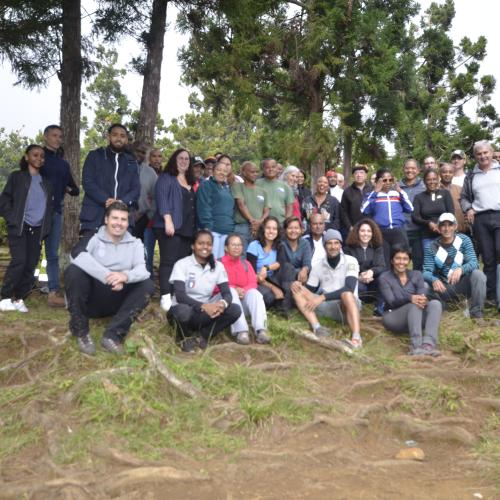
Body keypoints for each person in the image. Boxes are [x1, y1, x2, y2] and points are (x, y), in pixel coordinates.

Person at [64, 201, 154, 355]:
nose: (119, 223)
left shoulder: (136, 243)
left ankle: (113, 335)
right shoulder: (93, 238)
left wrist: (125, 276)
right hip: (91, 300)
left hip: (117, 300)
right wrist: (108, 277)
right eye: (115, 218)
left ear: (128, 222)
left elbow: (143, 270)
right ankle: (81, 330)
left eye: (123, 219)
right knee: (74, 271)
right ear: (106, 219)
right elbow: (76, 255)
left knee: (147, 285)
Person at [0, 145, 53, 313]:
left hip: (37, 230)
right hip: (20, 226)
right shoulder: (17, 177)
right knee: (19, 261)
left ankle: (19, 298)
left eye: (42, 156)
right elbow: (4, 200)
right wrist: (13, 219)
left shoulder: (46, 183)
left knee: (31, 265)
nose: (39, 158)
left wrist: (46, 228)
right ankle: (4, 297)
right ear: (27, 157)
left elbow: (49, 207)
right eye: (35, 155)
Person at [169, 230, 241, 352]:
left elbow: (227, 294)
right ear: (193, 246)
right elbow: (180, 296)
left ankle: (203, 336)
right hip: (184, 311)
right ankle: (184, 337)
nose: (205, 247)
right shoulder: (181, 264)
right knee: (183, 311)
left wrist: (221, 305)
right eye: (200, 243)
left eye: (208, 244)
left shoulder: (218, 266)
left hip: (204, 314)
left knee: (235, 309)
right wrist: (203, 306)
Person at [291, 229, 363, 348]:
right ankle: (317, 328)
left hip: (347, 306)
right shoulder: (318, 265)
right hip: (328, 307)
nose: (333, 246)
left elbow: (349, 288)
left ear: (340, 245)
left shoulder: (351, 261)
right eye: (329, 243)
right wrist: (298, 285)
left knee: (347, 294)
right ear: (324, 246)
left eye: (336, 243)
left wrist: (322, 297)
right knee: (297, 289)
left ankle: (356, 338)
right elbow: (311, 289)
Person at [40, 125, 79, 307]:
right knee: (30, 253)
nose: (58, 139)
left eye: (60, 136)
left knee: (52, 254)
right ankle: (22, 289)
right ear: (45, 137)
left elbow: (75, 190)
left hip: (56, 212)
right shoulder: (39, 158)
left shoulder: (63, 164)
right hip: (35, 212)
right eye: (54, 135)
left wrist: (67, 188)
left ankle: (53, 292)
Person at [379, 245, 442, 356]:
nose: (401, 262)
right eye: (398, 258)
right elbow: (391, 301)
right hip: (393, 317)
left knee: (435, 304)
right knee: (414, 304)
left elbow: (421, 296)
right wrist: (410, 298)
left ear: (409, 261)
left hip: (415, 318)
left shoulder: (416, 274)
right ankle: (416, 346)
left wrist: (421, 300)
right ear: (392, 261)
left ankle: (428, 345)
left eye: (405, 259)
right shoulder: (384, 277)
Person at [423, 213, 486, 321]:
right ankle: (443, 308)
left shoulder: (464, 240)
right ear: (438, 228)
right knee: (423, 285)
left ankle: (476, 314)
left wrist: (461, 269)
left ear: (455, 226)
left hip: (462, 285)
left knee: (478, 274)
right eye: (443, 225)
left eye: (450, 225)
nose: (447, 229)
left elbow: (474, 262)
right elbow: (425, 271)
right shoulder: (431, 247)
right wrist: (434, 279)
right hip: (443, 288)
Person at [154, 148, 196, 308]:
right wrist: (168, 220)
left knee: (180, 264)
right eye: (181, 158)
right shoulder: (167, 178)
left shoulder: (190, 181)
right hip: (170, 227)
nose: (184, 161)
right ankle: (165, 296)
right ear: (174, 159)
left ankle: (175, 295)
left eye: (187, 159)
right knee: (168, 262)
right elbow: (162, 199)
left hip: (187, 229)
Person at [80, 123, 140, 236]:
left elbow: (136, 189)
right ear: (108, 137)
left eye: (122, 136)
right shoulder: (95, 156)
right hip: (95, 217)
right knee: (92, 252)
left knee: (121, 253)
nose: (119, 138)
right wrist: (106, 200)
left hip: (123, 217)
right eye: (115, 135)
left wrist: (121, 202)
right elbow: (87, 182)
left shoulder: (132, 162)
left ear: (126, 139)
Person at [461, 140, 500, 310]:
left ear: (491, 153)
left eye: (485, 152)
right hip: (481, 220)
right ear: (475, 156)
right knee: (488, 258)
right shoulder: (471, 175)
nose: (483, 156)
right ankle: (490, 296)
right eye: (479, 153)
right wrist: (468, 208)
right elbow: (463, 197)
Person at [221, 234, 270, 345]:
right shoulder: (219, 264)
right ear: (225, 248)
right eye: (233, 245)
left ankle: (261, 330)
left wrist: (243, 290)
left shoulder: (245, 264)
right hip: (224, 303)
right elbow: (214, 286)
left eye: (239, 245)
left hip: (241, 301)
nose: (237, 247)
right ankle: (241, 331)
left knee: (254, 293)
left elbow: (253, 283)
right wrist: (235, 289)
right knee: (231, 291)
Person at [361, 168, 413, 266]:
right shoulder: (372, 195)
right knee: (384, 262)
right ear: (377, 181)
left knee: (399, 261)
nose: (388, 182)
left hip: (398, 232)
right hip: (381, 232)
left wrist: (400, 191)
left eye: (391, 180)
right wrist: (376, 191)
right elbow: (364, 210)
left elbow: (410, 208)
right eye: (384, 180)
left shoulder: (397, 194)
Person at [247, 216, 294, 309]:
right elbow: (251, 274)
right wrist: (273, 288)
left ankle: (285, 303)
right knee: (269, 298)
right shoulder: (254, 245)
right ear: (263, 229)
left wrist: (266, 268)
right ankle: (278, 300)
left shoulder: (279, 245)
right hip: (258, 280)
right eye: (268, 228)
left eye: (274, 229)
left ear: (278, 231)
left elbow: (280, 262)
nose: (271, 231)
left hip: (274, 277)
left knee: (289, 267)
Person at [344, 218, 386, 316]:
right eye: (362, 231)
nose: (365, 234)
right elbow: (346, 269)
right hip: (357, 284)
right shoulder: (348, 249)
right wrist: (359, 277)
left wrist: (371, 272)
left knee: (384, 278)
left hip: (373, 283)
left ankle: (379, 308)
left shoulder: (377, 247)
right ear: (357, 232)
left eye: (369, 231)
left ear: (373, 233)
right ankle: (356, 307)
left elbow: (382, 266)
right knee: (359, 288)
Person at [196, 159, 235, 259]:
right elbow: (204, 207)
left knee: (221, 265)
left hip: (227, 231)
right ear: (213, 171)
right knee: (210, 262)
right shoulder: (206, 185)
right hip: (213, 230)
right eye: (219, 170)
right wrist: (207, 227)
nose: (222, 173)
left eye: (225, 171)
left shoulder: (227, 188)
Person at [411, 168, 454, 254]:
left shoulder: (445, 194)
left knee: (447, 263)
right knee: (430, 263)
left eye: (434, 179)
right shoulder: (419, 197)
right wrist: (428, 223)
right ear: (424, 181)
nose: (432, 182)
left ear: (438, 179)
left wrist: (440, 225)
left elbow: (451, 214)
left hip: (445, 234)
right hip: (427, 236)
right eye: (429, 179)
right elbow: (415, 217)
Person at [232, 160, 270, 251]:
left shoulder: (263, 191)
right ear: (244, 172)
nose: (255, 174)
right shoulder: (237, 186)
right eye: (252, 172)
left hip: (259, 228)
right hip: (242, 227)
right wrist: (253, 222)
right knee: (241, 255)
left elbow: (267, 210)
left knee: (256, 256)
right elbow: (241, 204)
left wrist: (260, 222)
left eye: (257, 172)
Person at [399, 159, 426, 271]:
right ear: (403, 169)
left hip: (418, 230)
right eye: (407, 168)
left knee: (418, 261)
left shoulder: (424, 186)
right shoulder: (396, 187)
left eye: (413, 168)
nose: (410, 170)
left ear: (418, 170)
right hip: (401, 230)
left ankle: (418, 286)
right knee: (399, 261)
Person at [256, 158, 294, 224]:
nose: (270, 170)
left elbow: (289, 207)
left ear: (277, 168)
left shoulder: (285, 186)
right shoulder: (256, 184)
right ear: (263, 169)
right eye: (267, 167)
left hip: (280, 223)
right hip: (261, 223)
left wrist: (286, 222)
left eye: (273, 167)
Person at [340, 164, 372, 234]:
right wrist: (349, 227)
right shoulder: (347, 191)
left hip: (370, 228)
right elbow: (343, 212)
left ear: (366, 175)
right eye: (356, 173)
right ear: (353, 176)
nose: (359, 175)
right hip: (354, 229)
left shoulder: (372, 190)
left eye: (361, 173)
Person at [439, 163, 468, 234]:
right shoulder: (435, 190)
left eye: (450, 172)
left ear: (453, 174)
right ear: (440, 174)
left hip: (461, 230)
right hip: (442, 232)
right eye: (444, 172)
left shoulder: (459, 189)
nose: (447, 174)